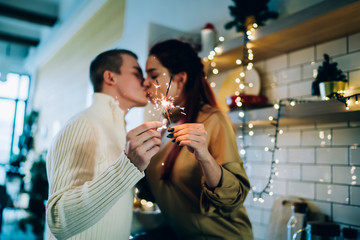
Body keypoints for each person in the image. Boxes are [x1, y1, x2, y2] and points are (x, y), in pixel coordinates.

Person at [141, 39, 253, 240]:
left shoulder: (213, 121)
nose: (145, 82)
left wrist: (204, 157)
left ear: (180, 79)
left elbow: (234, 196)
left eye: (154, 75)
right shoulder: (163, 125)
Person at [46, 49, 162, 240]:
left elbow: (110, 217)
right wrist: (129, 166)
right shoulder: (84, 124)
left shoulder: (118, 133)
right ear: (110, 77)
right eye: (136, 73)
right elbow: (58, 221)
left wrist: (172, 219)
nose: (145, 82)